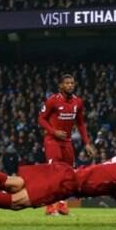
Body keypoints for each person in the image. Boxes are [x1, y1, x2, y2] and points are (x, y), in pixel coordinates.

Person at [38, 74, 96, 216]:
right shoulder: (53, 100)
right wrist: (54, 131)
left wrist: (87, 143)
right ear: (61, 86)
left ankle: (62, 205)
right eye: (67, 83)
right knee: (55, 170)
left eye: (72, 83)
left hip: (67, 142)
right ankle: (50, 206)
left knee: (69, 174)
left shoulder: (78, 102)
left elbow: (81, 124)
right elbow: (41, 119)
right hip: (52, 140)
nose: (71, 85)